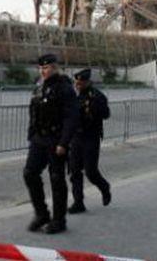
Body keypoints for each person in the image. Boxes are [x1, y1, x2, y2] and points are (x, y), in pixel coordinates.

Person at [24, 53, 79, 234]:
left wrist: (64, 142)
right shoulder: (39, 85)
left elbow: (71, 118)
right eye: (40, 68)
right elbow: (34, 111)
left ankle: (59, 220)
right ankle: (42, 214)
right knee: (30, 173)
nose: (43, 71)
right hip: (39, 139)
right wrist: (32, 134)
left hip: (56, 139)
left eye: (46, 68)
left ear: (55, 68)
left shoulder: (64, 88)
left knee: (56, 179)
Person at [68, 68, 112, 214]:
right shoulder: (74, 96)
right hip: (76, 137)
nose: (77, 86)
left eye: (79, 83)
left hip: (91, 138)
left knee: (91, 172)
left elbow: (106, 114)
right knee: (74, 171)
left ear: (87, 82)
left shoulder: (97, 96)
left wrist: (95, 107)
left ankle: (104, 187)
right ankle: (78, 202)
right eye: (76, 83)